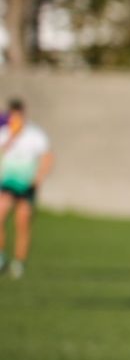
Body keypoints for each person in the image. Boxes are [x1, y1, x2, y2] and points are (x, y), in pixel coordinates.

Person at [0, 99, 54, 280]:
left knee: (22, 222)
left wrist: (38, 179)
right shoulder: (5, 132)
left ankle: (19, 262)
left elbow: (47, 157)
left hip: (26, 183)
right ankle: (1, 257)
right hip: (8, 181)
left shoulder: (35, 134)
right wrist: (10, 139)